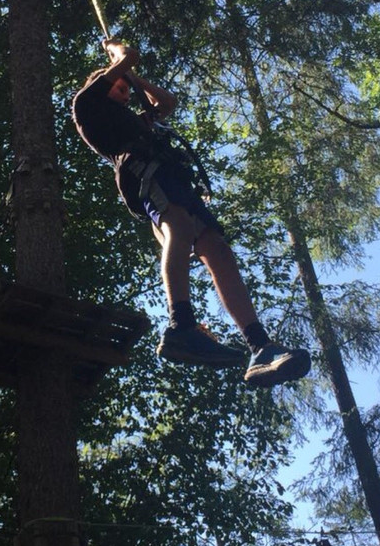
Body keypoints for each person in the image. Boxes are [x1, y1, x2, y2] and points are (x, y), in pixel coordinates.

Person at [72, 39, 310, 387]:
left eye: (127, 91)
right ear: (103, 83)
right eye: (120, 88)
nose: (125, 95)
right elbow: (129, 56)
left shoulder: (135, 120)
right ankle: (181, 325)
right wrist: (118, 54)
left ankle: (259, 346)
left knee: (217, 249)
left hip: (175, 178)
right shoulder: (88, 104)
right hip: (146, 172)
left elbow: (167, 103)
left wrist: (135, 80)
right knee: (178, 227)